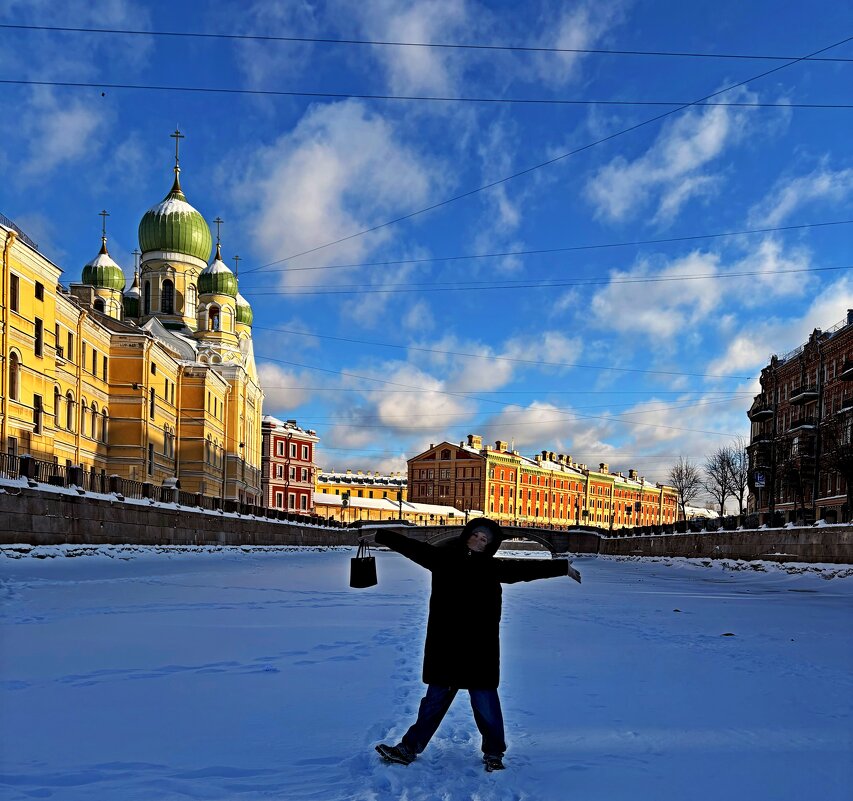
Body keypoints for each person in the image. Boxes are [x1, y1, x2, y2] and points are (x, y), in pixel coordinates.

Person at [371, 517, 581, 772]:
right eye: (476, 535)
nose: (479, 541)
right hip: (445, 646)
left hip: (479, 650)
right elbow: (412, 547)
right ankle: (407, 749)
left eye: (485, 540)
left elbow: (526, 570)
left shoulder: (493, 568)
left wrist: (562, 568)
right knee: (433, 703)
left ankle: (494, 753)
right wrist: (379, 535)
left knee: (486, 705)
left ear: (491, 545)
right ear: (467, 534)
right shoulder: (442, 559)